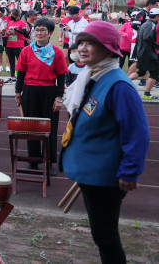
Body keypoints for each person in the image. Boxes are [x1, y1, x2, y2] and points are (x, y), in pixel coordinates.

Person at [59, 20, 149, 263]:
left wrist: (130, 171)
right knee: (102, 235)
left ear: (109, 50)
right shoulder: (94, 76)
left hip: (105, 175)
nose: (82, 48)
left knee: (105, 237)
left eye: (91, 43)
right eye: (81, 43)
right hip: (92, 172)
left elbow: (137, 132)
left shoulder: (119, 86)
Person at [14, 18, 67, 175]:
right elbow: (20, 73)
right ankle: (33, 161)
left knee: (49, 128)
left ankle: (48, 162)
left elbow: (61, 76)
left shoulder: (57, 52)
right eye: (36, 30)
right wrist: (18, 93)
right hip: (29, 92)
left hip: (49, 93)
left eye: (42, 30)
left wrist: (59, 98)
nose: (39, 33)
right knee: (31, 127)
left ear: (50, 33)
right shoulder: (26, 51)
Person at [129, 7, 159, 100]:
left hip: (141, 52)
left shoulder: (144, 24)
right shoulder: (152, 25)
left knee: (141, 72)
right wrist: (157, 46)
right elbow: (147, 37)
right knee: (155, 72)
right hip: (148, 53)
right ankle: (147, 94)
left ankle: (124, 82)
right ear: (157, 17)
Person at [5, 9, 28, 83]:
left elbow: (24, 32)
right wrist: (8, 33)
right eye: (11, 14)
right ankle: (12, 77)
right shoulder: (10, 22)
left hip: (18, 45)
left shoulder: (22, 22)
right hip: (10, 44)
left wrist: (15, 30)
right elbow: (6, 32)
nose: (11, 16)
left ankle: (20, 77)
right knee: (11, 62)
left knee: (20, 62)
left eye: (13, 15)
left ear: (17, 15)